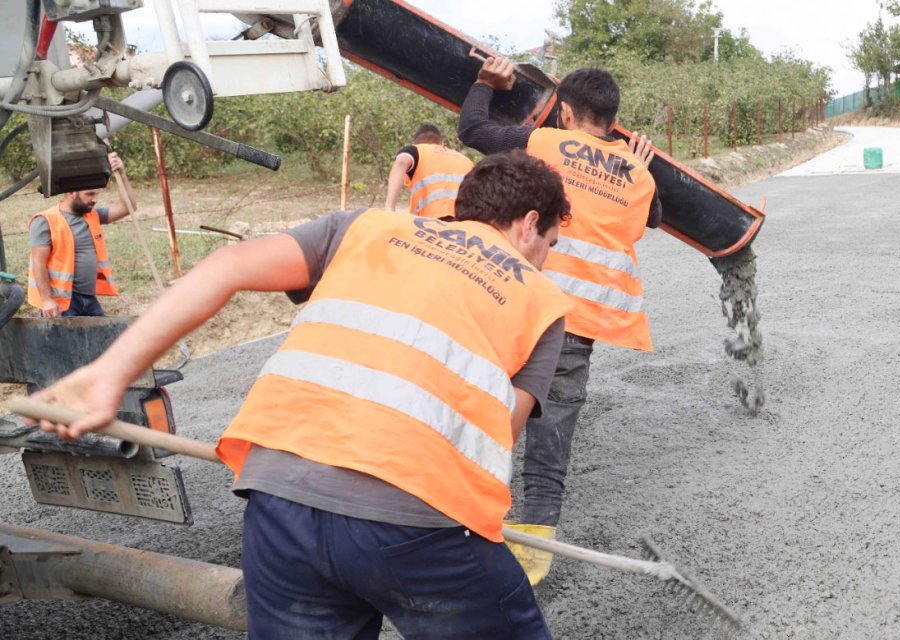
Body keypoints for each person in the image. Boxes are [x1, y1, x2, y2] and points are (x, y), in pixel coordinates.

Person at [29, 150, 573, 639]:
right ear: (530, 225)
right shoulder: (540, 301)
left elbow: (227, 267)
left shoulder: (367, 227)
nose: (545, 257)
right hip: (416, 521)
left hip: (278, 499)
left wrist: (109, 374)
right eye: (550, 243)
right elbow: (497, 436)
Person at [458, 57, 660, 583]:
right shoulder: (638, 173)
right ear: (613, 119)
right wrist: (638, 163)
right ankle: (535, 553)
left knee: (474, 401)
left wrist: (485, 84)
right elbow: (653, 217)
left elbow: (473, 130)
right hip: (577, 323)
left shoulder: (544, 143)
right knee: (551, 433)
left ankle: (449, 514)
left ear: (565, 112)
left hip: (517, 303)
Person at [27, 152, 137, 317]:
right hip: (62, 303)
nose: (95, 199)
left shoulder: (92, 215)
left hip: (88, 299)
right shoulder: (45, 221)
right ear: (71, 193)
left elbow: (128, 206)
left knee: (102, 339)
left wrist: (121, 173)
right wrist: (47, 300)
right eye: (90, 194)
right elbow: (38, 263)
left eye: (96, 194)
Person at [383, 123, 474, 216]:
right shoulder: (465, 159)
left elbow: (401, 162)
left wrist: (389, 208)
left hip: (435, 220)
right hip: (467, 220)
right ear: (442, 143)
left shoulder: (416, 150)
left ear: (415, 143)